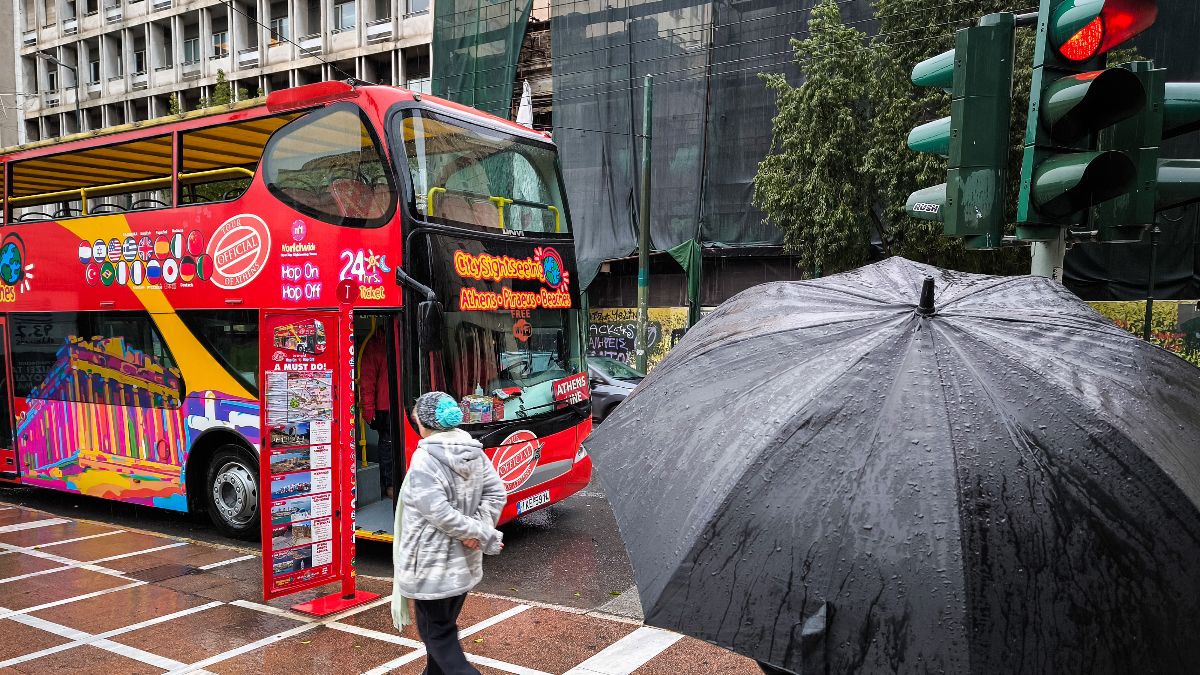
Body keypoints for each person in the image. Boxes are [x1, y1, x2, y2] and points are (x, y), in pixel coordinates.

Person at [392, 391, 506, 675]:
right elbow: (496, 494)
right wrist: (478, 529)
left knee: (438, 636)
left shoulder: (425, 459)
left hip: (431, 569)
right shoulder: (473, 451)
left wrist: (476, 531)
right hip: (463, 563)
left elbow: (437, 512)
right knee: (441, 633)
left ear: (425, 423)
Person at [360, 334, 393, 498]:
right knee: (387, 445)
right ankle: (389, 484)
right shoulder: (375, 345)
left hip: (399, 403)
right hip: (384, 407)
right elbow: (367, 380)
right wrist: (368, 410)